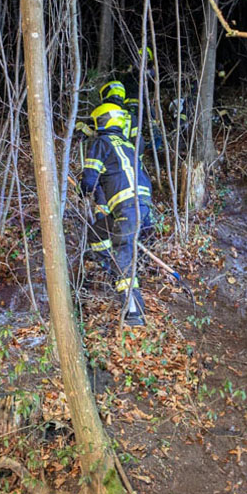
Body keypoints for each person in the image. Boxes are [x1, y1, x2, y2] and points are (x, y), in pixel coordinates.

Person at [80, 104, 153, 327]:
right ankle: (106, 265)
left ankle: (134, 313)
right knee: (96, 233)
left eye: (97, 121)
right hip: (142, 207)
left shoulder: (100, 143)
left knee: (124, 258)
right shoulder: (128, 145)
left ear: (104, 120)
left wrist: (82, 190)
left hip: (126, 208)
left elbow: (90, 179)